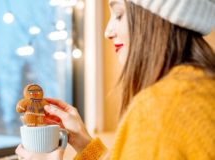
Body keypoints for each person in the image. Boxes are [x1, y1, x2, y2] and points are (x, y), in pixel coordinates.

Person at [16, 0, 215, 159]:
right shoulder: (202, 88)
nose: (107, 31)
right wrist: (84, 144)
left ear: (155, 19)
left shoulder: (162, 106)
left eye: (119, 14)